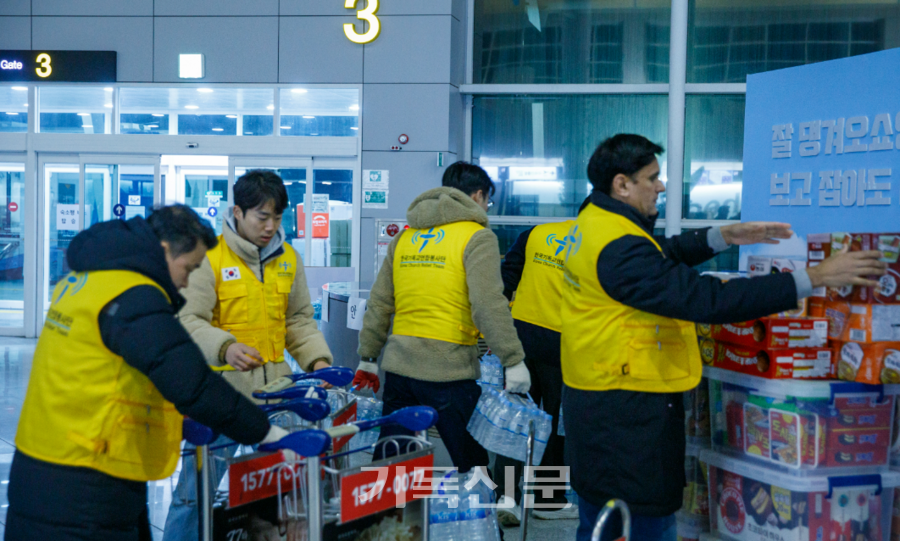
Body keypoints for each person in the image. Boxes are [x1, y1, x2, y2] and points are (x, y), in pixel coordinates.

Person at [561, 134, 887, 541]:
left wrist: (724, 236)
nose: (661, 186)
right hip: (625, 415)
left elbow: (658, 254)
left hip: (599, 400)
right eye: (653, 178)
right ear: (622, 184)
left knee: (602, 521)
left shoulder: (595, 223)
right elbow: (707, 299)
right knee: (640, 523)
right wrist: (814, 278)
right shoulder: (618, 246)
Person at [7, 206, 292, 541]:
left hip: (48, 464)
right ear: (165, 250)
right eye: (189, 268)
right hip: (85, 481)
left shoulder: (86, 278)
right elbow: (191, 381)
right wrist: (267, 434)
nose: (187, 281)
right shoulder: (132, 294)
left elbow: (105, 373)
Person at [164, 170, 334, 540]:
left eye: (278, 217)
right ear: (237, 212)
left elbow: (299, 320)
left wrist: (318, 361)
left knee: (284, 489)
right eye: (262, 216)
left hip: (279, 394)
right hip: (219, 393)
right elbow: (188, 319)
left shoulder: (289, 258)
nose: (271, 226)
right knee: (194, 494)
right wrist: (226, 346)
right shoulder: (209, 257)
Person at [353, 161, 529, 474]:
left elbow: (380, 302)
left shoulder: (405, 238)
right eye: (487, 200)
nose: (487, 206)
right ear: (476, 196)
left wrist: (368, 356)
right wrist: (512, 359)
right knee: (473, 464)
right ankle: (483, 522)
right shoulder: (477, 237)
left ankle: (386, 522)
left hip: (399, 371)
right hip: (448, 370)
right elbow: (487, 303)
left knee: (392, 462)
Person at [491, 197, 591, 525]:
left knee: (515, 419)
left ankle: (506, 497)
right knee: (556, 424)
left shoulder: (536, 233)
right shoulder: (598, 247)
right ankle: (548, 500)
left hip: (520, 339)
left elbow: (505, 282)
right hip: (564, 345)